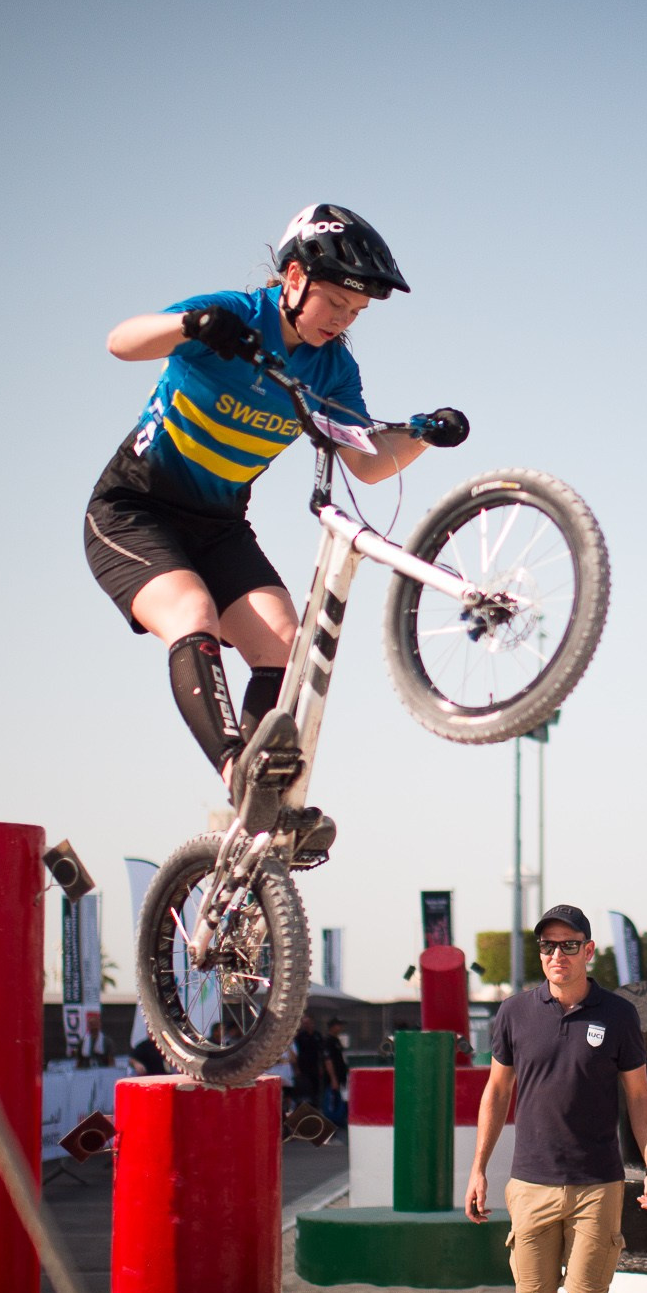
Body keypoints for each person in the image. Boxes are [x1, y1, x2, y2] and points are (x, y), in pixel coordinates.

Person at [84, 203, 469, 842]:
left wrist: (425, 433)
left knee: (288, 648)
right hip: (133, 511)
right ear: (293, 277)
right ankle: (239, 770)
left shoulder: (332, 368)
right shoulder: (236, 313)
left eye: (357, 312)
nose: (345, 320)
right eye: (336, 304)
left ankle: (261, 812)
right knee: (193, 615)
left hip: (220, 527)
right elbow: (120, 342)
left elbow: (365, 463)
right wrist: (190, 325)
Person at [467, 905, 647, 1293]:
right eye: (548, 946)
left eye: (569, 945)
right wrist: (479, 1169)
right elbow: (496, 1091)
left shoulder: (619, 1014)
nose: (557, 956)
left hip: (597, 1184)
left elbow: (639, 1095)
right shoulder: (513, 1012)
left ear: (588, 950)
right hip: (529, 1184)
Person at [292, 1013, 326, 1109]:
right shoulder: (300, 1037)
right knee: (305, 1091)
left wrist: (320, 1067)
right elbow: (296, 1054)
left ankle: (316, 1107)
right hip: (303, 1068)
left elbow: (321, 1052)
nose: (308, 1025)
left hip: (315, 1067)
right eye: (305, 1023)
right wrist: (297, 1069)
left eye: (309, 1023)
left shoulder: (317, 1035)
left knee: (316, 1089)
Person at [322, 1018, 351, 1123]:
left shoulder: (337, 1040)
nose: (341, 1028)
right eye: (339, 1025)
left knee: (342, 1098)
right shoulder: (327, 1041)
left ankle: (340, 1118)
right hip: (333, 1077)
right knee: (332, 1099)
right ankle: (331, 1119)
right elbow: (328, 1060)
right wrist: (333, 1078)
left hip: (341, 1075)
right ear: (333, 1026)